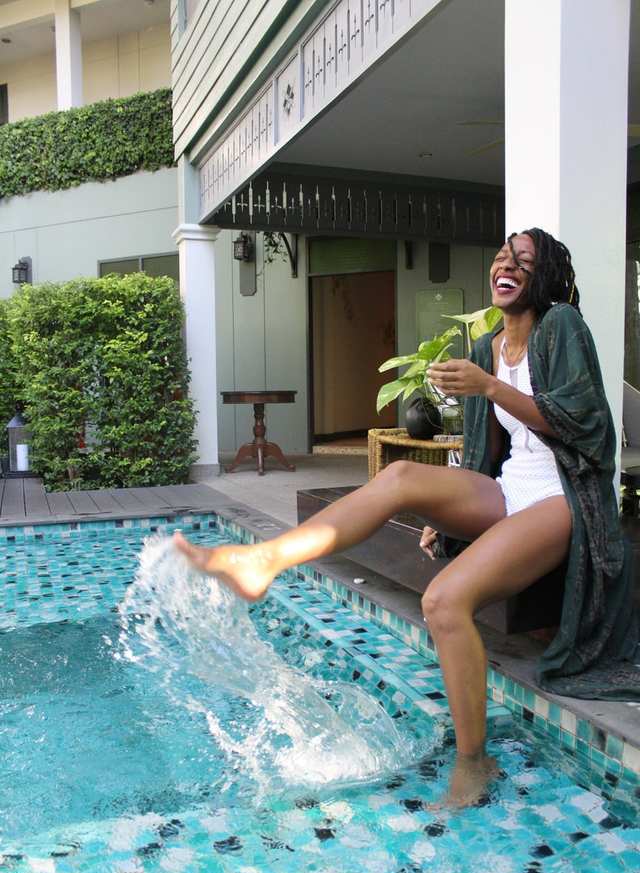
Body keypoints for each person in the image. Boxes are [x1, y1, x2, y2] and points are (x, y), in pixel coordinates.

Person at [175, 228, 639, 807]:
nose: (507, 265)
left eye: (524, 260)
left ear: (543, 276)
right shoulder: (489, 345)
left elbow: (585, 427)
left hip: (563, 496)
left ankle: (475, 761)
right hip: (510, 489)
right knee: (398, 477)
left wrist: (489, 388)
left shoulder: (561, 326)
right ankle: (264, 559)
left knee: (443, 602)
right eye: (502, 256)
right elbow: (487, 453)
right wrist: (446, 510)